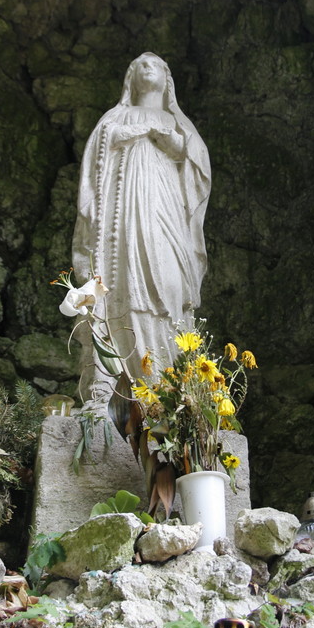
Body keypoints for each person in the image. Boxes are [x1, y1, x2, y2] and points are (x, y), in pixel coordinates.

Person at [72, 53, 211, 396]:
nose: (148, 66)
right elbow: (97, 156)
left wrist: (170, 140)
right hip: (123, 212)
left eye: (156, 64)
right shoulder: (115, 117)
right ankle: (115, 382)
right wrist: (130, 132)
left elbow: (196, 162)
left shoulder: (177, 121)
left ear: (167, 80)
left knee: (168, 280)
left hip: (165, 206)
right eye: (140, 65)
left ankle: (171, 384)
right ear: (130, 79)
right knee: (122, 279)